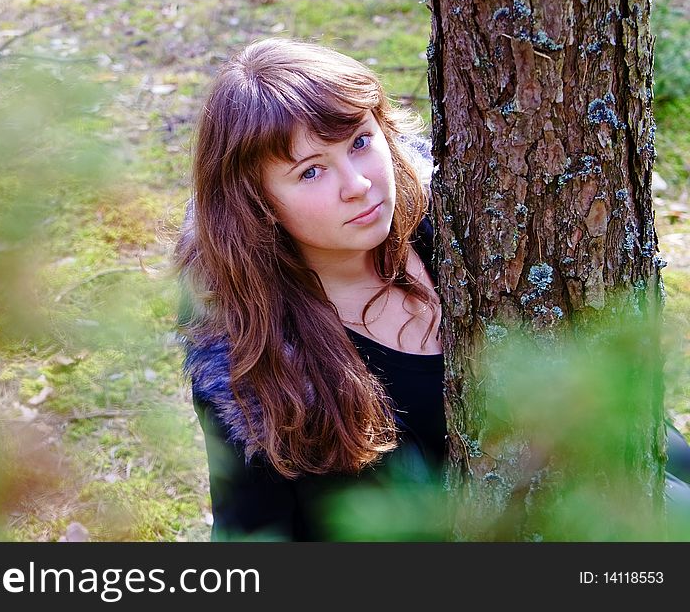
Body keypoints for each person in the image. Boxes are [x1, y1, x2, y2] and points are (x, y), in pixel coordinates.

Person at [174, 38, 690, 541]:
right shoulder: (255, 360)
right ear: (257, 202)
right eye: (311, 171)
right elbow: (252, 540)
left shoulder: (464, 221)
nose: (357, 183)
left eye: (359, 141)